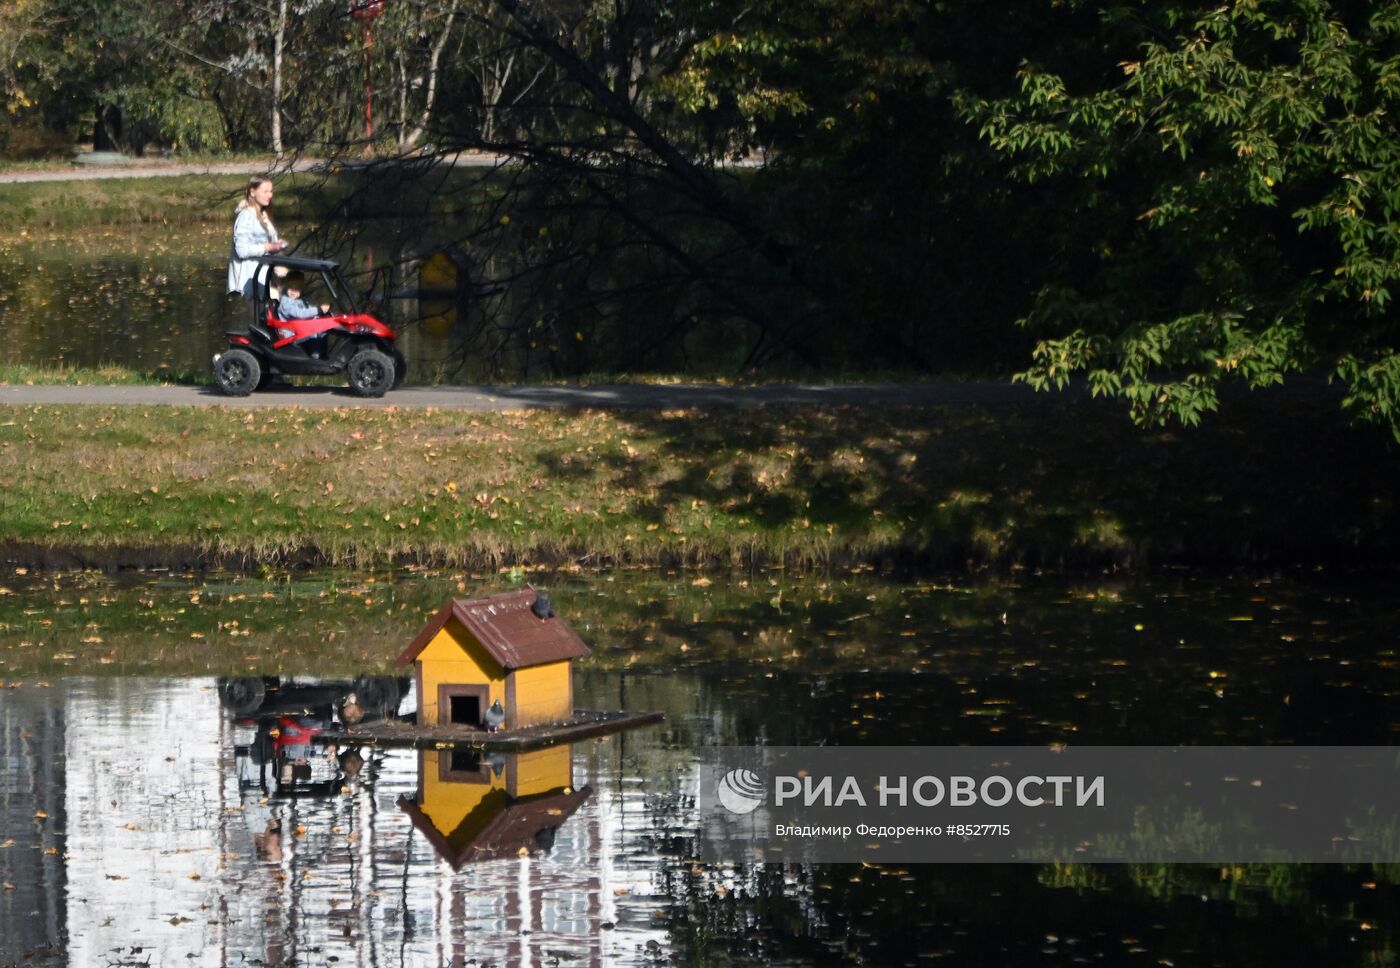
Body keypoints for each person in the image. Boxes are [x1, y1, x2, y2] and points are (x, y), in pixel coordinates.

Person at [227, 176, 289, 301]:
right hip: (252, 280)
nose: (270, 195)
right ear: (252, 192)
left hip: (268, 277)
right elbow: (241, 250)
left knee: (277, 313)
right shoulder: (245, 216)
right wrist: (269, 247)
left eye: (271, 191)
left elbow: (266, 243)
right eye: (265, 191)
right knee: (266, 316)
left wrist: (277, 246)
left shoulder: (263, 214)